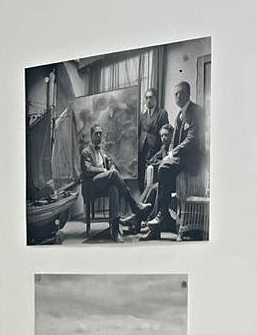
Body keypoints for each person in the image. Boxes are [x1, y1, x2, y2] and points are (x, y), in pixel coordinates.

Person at [142, 81, 205, 240]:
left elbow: (192, 139)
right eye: (175, 94)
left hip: (192, 161)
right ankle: (158, 221)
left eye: (181, 93)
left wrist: (172, 153)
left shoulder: (197, 111)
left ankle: (161, 215)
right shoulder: (179, 115)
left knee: (164, 168)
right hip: (181, 158)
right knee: (161, 173)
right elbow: (173, 141)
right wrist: (170, 151)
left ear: (188, 94)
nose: (177, 97)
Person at [80, 125, 150, 241]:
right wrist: (105, 170)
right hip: (91, 185)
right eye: (96, 134)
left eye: (100, 134)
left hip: (103, 183)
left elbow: (111, 165)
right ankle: (135, 205)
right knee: (113, 174)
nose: (98, 136)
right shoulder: (85, 152)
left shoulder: (102, 152)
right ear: (91, 135)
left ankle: (115, 230)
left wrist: (111, 166)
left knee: (114, 189)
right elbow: (88, 170)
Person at [136, 87, 169, 176]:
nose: (148, 100)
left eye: (150, 97)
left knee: (151, 175)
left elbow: (166, 133)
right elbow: (138, 134)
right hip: (142, 150)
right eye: (146, 98)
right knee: (141, 174)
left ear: (155, 99)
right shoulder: (142, 116)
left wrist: (163, 151)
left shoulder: (162, 113)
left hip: (155, 149)